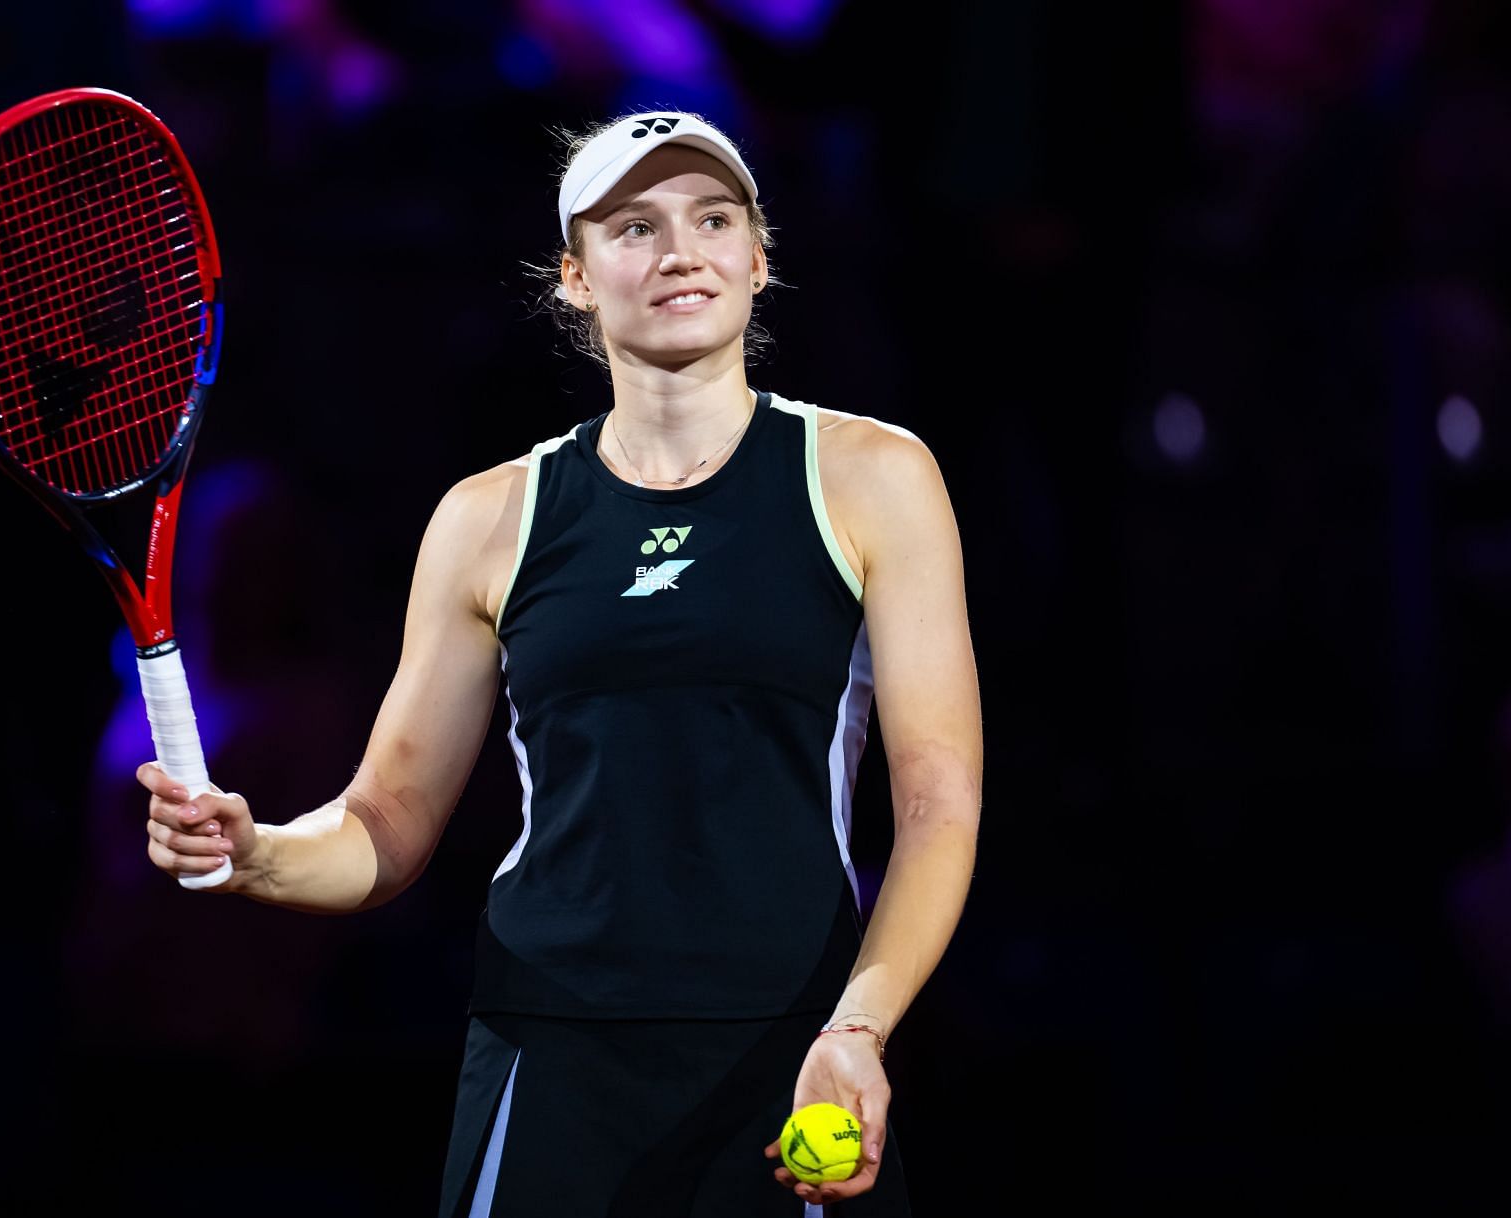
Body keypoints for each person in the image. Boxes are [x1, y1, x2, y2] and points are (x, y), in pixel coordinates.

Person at [137, 110, 982, 1217]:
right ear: (575, 280)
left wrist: (859, 1029)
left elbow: (937, 805)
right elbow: (386, 825)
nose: (680, 250)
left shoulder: (874, 477)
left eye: (713, 219)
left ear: (758, 258)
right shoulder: (490, 518)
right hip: (552, 1053)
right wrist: (258, 854)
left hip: (795, 1052)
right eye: (635, 227)